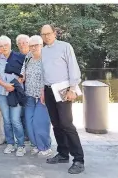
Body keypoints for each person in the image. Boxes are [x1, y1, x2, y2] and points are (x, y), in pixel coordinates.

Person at [40, 24, 84, 174]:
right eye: (43, 34)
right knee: (56, 124)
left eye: (48, 33)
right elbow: (43, 71)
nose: (46, 37)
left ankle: (78, 159)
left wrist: (73, 88)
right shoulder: (43, 51)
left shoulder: (65, 47)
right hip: (48, 90)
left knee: (66, 123)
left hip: (64, 89)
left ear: (55, 33)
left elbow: (73, 67)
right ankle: (63, 154)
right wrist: (42, 91)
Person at [18, 35, 53, 157]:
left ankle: (45, 147)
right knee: (29, 122)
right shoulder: (28, 57)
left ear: (41, 45)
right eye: (31, 45)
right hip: (29, 95)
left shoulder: (46, 58)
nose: (33, 48)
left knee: (40, 122)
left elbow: (50, 76)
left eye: (36, 45)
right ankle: (36, 145)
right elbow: (23, 71)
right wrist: (20, 78)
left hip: (42, 96)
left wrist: (44, 92)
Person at [0, 36, 26, 157]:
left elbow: (24, 74)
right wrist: (5, 85)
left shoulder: (20, 57)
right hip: (1, 92)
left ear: (10, 45)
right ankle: (10, 143)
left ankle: (21, 145)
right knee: (6, 120)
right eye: (0, 46)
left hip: (15, 92)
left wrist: (17, 83)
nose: (3, 47)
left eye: (5, 45)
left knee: (15, 120)